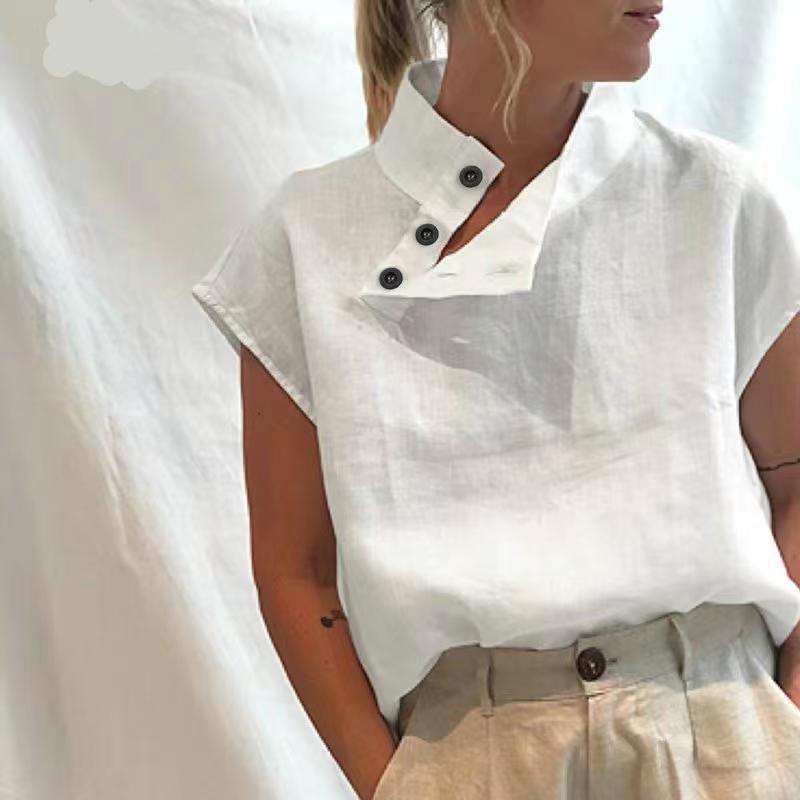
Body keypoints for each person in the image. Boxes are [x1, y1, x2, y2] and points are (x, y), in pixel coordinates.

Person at [192, 0, 800, 797]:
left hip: (730, 744)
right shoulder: (305, 240)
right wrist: (400, 784)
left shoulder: (714, 199)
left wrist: (783, 723)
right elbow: (294, 567)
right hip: (471, 759)